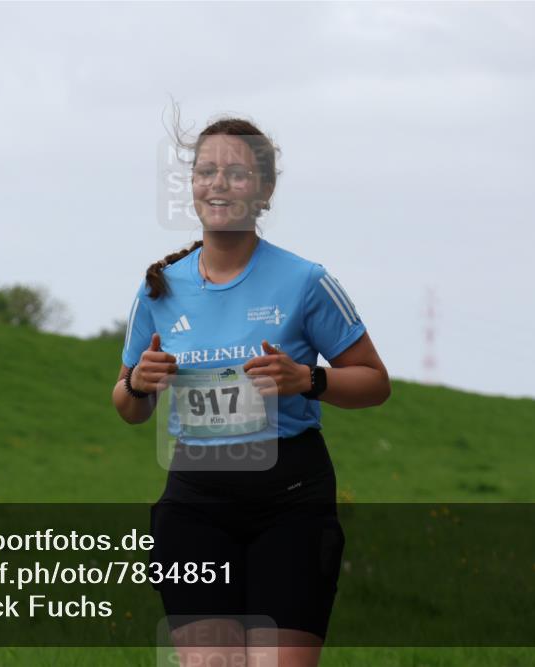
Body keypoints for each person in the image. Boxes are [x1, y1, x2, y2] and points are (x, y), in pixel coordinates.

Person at [111, 113, 390, 667]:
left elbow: (375, 382)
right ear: (192, 184)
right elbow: (127, 406)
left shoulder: (305, 281)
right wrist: (138, 385)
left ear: (264, 190)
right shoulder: (159, 289)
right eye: (206, 171)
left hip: (290, 505)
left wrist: (308, 379)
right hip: (194, 505)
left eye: (236, 173)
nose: (218, 183)